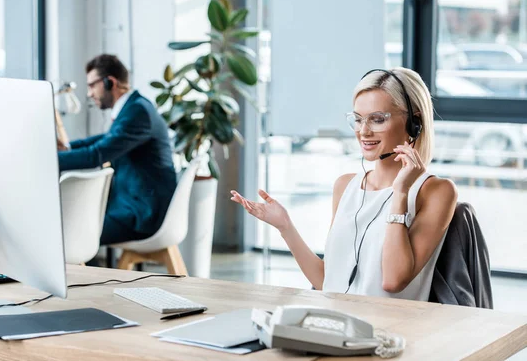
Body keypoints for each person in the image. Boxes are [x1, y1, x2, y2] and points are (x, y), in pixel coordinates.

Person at [231, 67, 458, 301]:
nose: (363, 131)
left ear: (414, 122)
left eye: (377, 119)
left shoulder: (436, 192)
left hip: (388, 332)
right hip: (335, 323)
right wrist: (285, 226)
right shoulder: (345, 186)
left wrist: (400, 194)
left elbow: (393, 280)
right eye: (358, 119)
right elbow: (327, 281)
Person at [58, 54, 177, 246]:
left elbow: (96, 155)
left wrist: (49, 160)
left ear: (108, 82)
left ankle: (83, 274)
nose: (89, 94)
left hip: (141, 215)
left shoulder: (138, 112)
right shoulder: (135, 107)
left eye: (91, 85)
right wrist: (68, 147)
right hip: (132, 205)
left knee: (68, 232)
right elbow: (107, 139)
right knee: (70, 224)